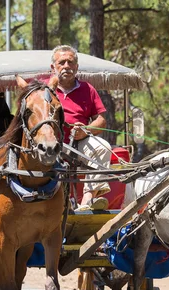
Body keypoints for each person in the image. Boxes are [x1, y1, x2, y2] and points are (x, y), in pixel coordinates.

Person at [50, 45, 111, 211]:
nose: (66, 66)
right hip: (53, 142)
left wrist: (86, 129)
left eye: (71, 62)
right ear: (53, 67)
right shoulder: (45, 91)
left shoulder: (87, 89)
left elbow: (101, 120)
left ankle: (87, 201)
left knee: (103, 147)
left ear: (76, 67)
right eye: (61, 62)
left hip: (80, 142)